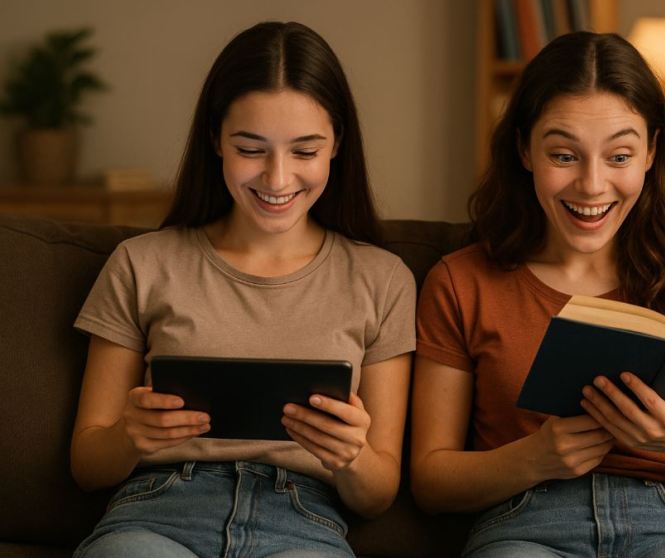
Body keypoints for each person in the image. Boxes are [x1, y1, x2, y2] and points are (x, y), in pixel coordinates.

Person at [411, 31, 665, 558]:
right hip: (526, 524)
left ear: (652, 151)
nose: (591, 185)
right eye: (564, 155)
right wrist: (536, 457)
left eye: (619, 156)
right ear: (524, 150)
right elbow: (430, 479)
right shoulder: (461, 281)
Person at [71, 21, 415, 558]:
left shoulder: (383, 278)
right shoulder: (142, 263)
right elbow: (87, 465)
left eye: (305, 151)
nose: (277, 180)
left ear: (337, 145)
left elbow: (377, 494)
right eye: (251, 149)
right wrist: (127, 436)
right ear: (216, 140)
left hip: (302, 524)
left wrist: (352, 456)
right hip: (158, 514)